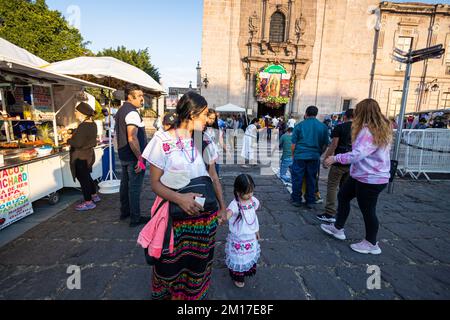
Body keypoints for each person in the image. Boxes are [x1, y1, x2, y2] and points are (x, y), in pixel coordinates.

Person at [142, 91, 226, 300]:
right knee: (170, 263)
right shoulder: (161, 141)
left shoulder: (204, 140)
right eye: (205, 114)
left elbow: (214, 177)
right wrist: (180, 199)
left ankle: (192, 296)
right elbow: (154, 184)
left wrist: (222, 207)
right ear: (191, 114)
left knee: (199, 263)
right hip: (175, 219)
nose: (208, 119)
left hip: (204, 220)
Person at [322, 99, 392, 255]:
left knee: (368, 210)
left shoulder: (368, 131)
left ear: (362, 113)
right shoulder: (381, 128)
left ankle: (371, 243)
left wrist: (335, 158)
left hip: (370, 178)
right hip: (363, 175)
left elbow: (357, 154)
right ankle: (338, 228)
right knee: (344, 195)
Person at [115, 84, 149, 227]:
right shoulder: (132, 112)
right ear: (130, 96)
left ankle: (125, 212)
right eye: (139, 96)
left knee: (125, 186)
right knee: (134, 188)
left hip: (124, 155)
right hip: (133, 157)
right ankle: (135, 218)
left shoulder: (121, 110)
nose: (142, 99)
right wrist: (140, 159)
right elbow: (131, 137)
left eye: (142, 96)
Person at [224, 174, 260, 288]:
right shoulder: (235, 204)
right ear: (238, 191)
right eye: (247, 192)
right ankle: (238, 276)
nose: (250, 195)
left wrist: (256, 231)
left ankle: (246, 271)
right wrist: (222, 218)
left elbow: (253, 217)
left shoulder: (253, 201)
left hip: (250, 236)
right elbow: (228, 214)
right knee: (238, 257)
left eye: (251, 191)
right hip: (239, 238)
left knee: (249, 256)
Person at [317, 109, 354, 223]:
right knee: (344, 189)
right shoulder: (361, 129)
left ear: (345, 116)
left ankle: (329, 213)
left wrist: (327, 158)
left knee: (332, 186)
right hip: (352, 161)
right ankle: (341, 212)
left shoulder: (340, 127)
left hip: (339, 161)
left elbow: (333, 145)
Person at [290, 106, 329, 209]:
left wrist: (293, 155)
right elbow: (326, 144)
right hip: (314, 156)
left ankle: (296, 199)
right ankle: (310, 200)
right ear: (316, 114)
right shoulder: (323, 127)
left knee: (297, 178)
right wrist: (320, 153)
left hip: (300, 155)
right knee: (311, 178)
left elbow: (293, 144)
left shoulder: (299, 126)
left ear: (306, 113)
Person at [68, 102, 101, 211]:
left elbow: (78, 143)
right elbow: (84, 137)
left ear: (82, 113)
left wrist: (67, 140)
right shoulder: (92, 123)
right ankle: (94, 195)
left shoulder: (83, 125)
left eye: (76, 111)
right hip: (88, 154)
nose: (75, 113)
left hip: (81, 156)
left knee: (83, 179)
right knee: (87, 177)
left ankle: (88, 202)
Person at [205, 109, 224, 177]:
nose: (212, 120)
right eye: (210, 118)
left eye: (213, 118)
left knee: (215, 175)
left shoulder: (217, 129)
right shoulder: (202, 128)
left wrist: (226, 149)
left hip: (215, 155)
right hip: (205, 155)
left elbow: (220, 140)